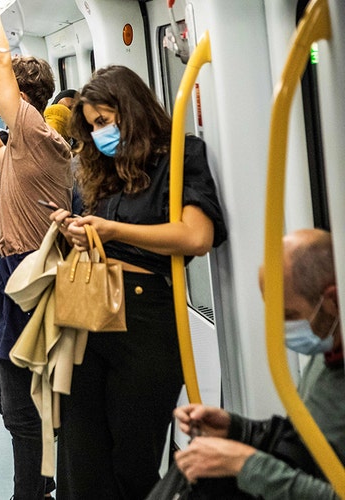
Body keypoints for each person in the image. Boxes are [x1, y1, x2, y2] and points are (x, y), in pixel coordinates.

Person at [49, 65, 227, 499]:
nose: (99, 135)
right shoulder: (104, 172)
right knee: (81, 452)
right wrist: (77, 230)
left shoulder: (181, 156)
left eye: (105, 121)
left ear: (130, 110)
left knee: (134, 455)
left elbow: (196, 236)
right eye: (93, 127)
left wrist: (114, 233)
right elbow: (102, 231)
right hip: (89, 309)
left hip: (145, 318)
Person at [0, 3, 72, 498]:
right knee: (9, 401)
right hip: (11, 279)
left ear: (21, 101)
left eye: (2, 96)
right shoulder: (20, 147)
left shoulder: (41, 137)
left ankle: (32, 491)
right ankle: (40, 482)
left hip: (35, 284)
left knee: (24, 409)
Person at [171, 229, 344, 500]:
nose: (282, 328)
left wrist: (247, 465)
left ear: (332, 301)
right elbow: (303, 439)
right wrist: (237, 429)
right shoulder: (326, 358)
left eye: (289, 315)